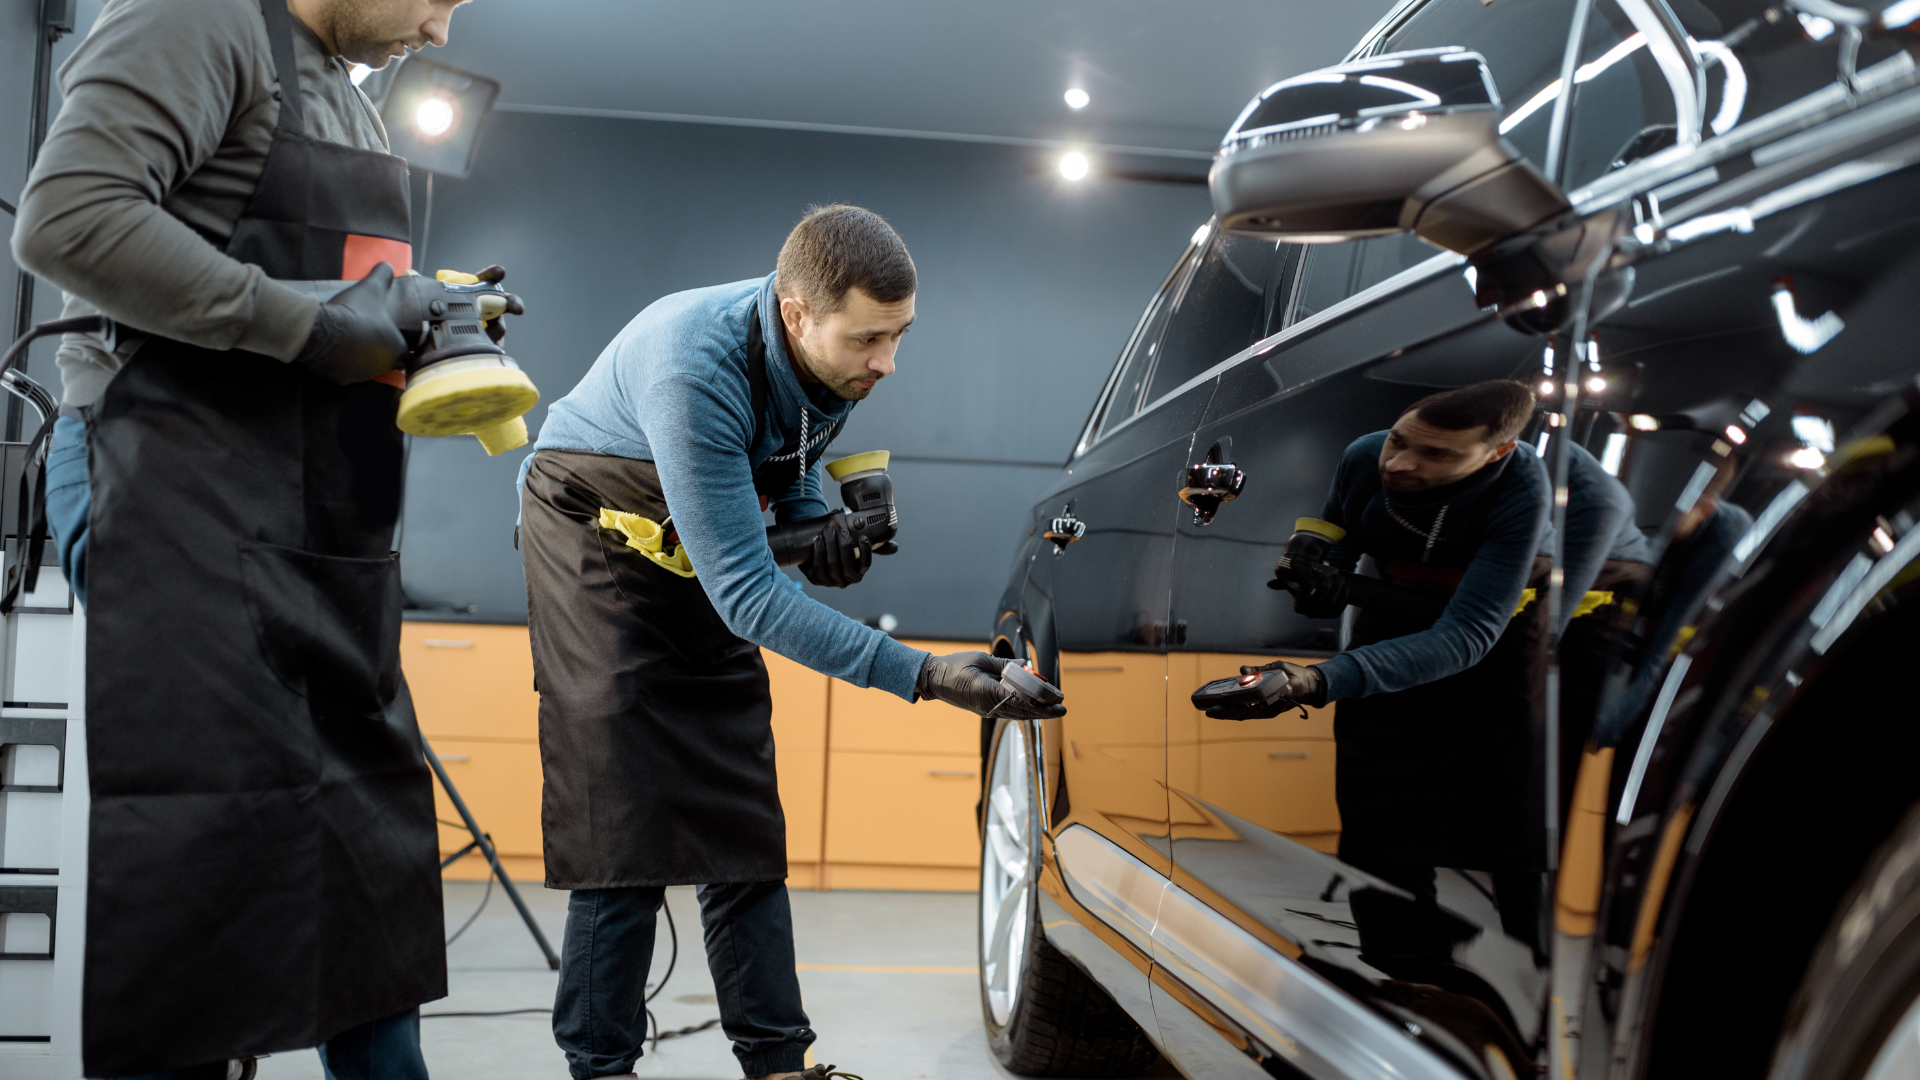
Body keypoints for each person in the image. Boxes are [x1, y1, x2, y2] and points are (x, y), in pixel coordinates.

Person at [11, 0, 487, 1075]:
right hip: (177, 485)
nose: (443, 30)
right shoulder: (198, 19)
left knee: (370, 851)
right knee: (211, 853)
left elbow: (332, 295)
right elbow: (68, 221)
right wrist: (309, 326)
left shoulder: (353, 102)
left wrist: (425, 320)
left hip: (319, 518)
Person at [518, 204, 1065, 1080]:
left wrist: (816, 528)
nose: (887, 362)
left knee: (740, 814)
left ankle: (779, 1066)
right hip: (598, 543)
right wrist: (924, 675)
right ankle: (600, 1069)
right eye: (868, 340)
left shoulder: (830, 363)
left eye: (900, 336)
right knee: (621, 825)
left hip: (694, 530)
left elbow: (792, 452)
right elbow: (744, 595)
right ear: (796, 313)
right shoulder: (692, 369)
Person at [1200, 380, 1552, 969]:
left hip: (1495, 645)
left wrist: (1318, 681)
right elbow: (1338, 524)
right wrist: (1315, 568)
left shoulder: (1522, 488)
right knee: (1376, 825)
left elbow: (1467, 633)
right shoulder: (1366, 454)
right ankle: (1400, 970)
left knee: (1507, 830)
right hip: (1389, 622)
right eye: (1401, 440)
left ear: (1497, 453)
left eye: (1436, 454)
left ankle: (1527, 980)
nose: (1400, 463)